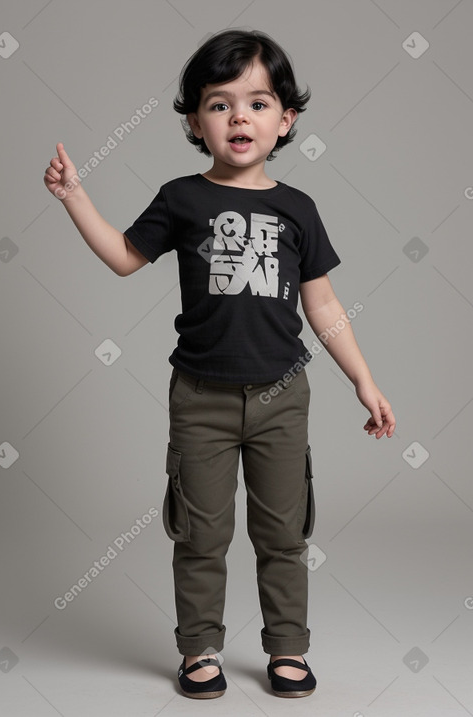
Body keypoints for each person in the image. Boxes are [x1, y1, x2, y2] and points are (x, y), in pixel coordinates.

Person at [43, 28, 396, 700]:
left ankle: (287, 648)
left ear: (286, 119)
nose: (240, 117)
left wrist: (363, 379)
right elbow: (123, 257)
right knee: (200, 533)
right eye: (220, 103)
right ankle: (199, 647)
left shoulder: (298, 209)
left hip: (282, 396)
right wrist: (75, 198)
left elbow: (323, 305)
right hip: (200, 395)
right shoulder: (182, 198)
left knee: (283, 532)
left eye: (259, 104)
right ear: (194, 121)